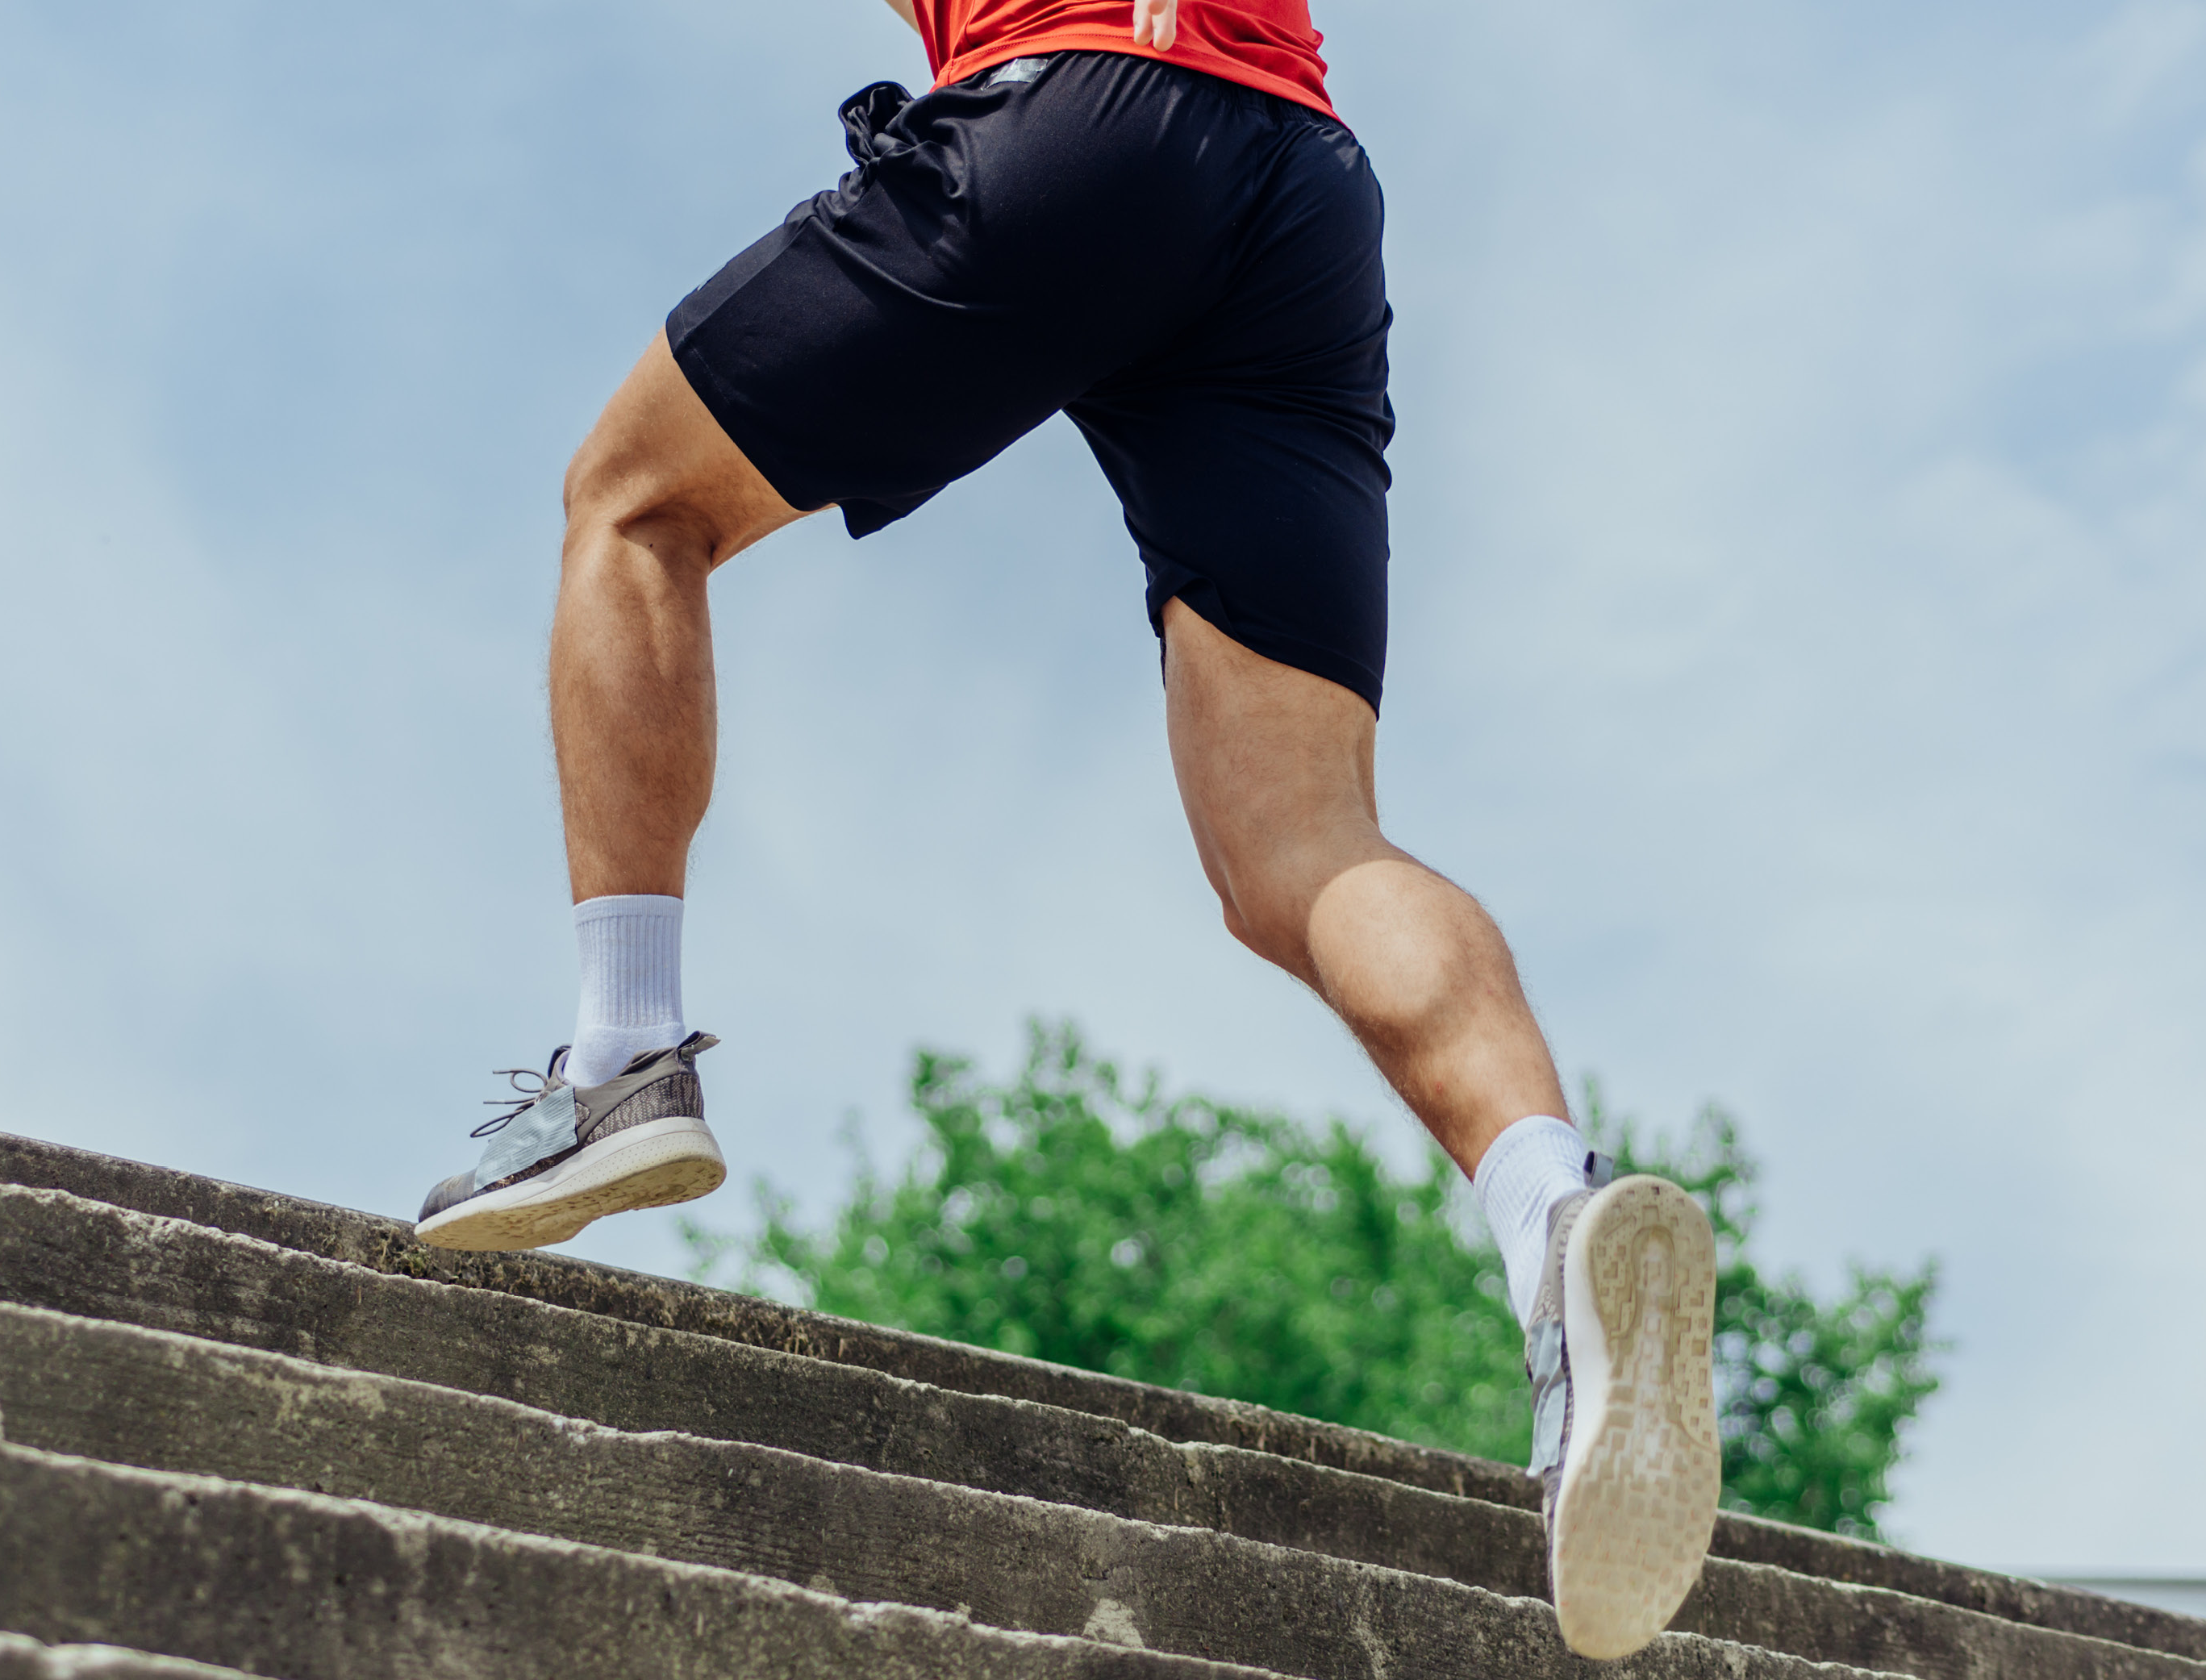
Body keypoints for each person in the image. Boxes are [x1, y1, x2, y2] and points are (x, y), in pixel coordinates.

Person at [411, 0, 1720, 1655]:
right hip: (1297, 183)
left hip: (1085, 114)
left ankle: (620, 1054)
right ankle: (1551, 1215)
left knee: (631, 502)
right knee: (1302, 848)